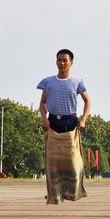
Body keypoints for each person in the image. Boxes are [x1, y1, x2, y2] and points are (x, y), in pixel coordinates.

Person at [37, 49, 91, 204]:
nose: (62, 63)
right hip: (53, 122)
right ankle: (55, 194)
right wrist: (44, 118)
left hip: (71, 123)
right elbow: (43, 102)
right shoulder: (48, 82)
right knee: (53, 161)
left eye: (65, 60)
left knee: (74, 161)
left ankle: (74, 192)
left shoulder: (77, 82)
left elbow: (88, 101)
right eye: (59, 60)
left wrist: (83, 119)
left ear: (71, 63)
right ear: (56, 62)